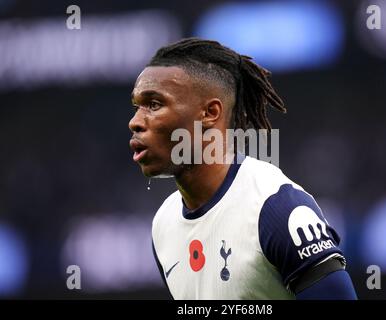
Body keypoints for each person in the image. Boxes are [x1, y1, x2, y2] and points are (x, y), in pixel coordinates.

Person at [128, 38, 357, 299]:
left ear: (210, 112)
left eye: (154, 105)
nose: (135, 122)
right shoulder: (164, 224)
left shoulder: (276, 209)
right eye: (137, 107)